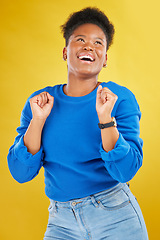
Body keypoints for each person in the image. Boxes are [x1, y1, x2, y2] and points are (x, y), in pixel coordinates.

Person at [7, 7, 148, 240]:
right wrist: (38, 120)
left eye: (98, 43)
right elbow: (21, 172)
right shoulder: (40, 103)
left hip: (116, 216)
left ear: (104, 59)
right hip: (61, 222)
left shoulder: (118, 99)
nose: (88, 46)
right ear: (65, 52)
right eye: (80, 39)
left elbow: (126, 170)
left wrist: (105, 120)